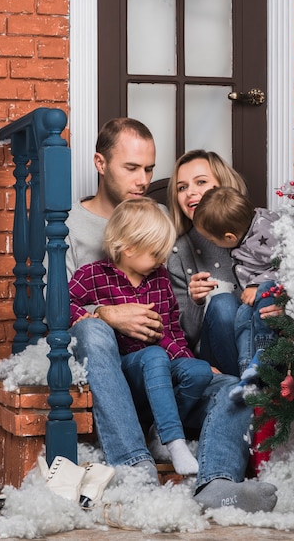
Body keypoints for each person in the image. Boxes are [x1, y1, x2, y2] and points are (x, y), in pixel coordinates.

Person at [67, 118, 277, 513]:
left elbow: (173, 327)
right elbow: (62, 317)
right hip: (118, 367)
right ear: (100, 163)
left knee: (233, 383)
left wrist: (194, 361)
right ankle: (134, 467)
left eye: (149, 168)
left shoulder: (164, 245)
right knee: (98, 333)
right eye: (132, 168)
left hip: (167, 375)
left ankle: (216, 481)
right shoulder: (70, 232)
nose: (144, 179)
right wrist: (106, 314)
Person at [68, 197, 213, 476]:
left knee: (199, 371)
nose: (161, 260)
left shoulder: (159, 280)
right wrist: (88, 315)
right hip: (126, 371)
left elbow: (171, 330)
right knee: (154, 355)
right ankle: (176, 441)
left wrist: (185, 360)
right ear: (127, 247)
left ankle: (159, 431)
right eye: (155, 253)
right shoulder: (92, 276)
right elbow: (65, 304)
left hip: (160, 369)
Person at [167, 150, 278, 377]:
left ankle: (260, 382)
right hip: (218, 361)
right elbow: (182, 336)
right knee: (223, 303)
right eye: (182, 187)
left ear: (223, 186)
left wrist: (281, 303)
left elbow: (293, 271)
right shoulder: (179, 251)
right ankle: (244, 385)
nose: (191, 192)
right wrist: (195, 302)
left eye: (201, 182)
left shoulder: (259, 232)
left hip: (264, 344)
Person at [193, 186, 280, 401]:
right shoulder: (248, 225)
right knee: (240, 314)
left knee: (257, 312)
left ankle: (261, 362)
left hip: (268, 295)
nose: (191, 193)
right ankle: (247, 372)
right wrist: (195, 301)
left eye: (213, 241)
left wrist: (257, 285)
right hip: (240, 316)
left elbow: (289, 262)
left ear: (230, 236)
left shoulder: (263, 237)